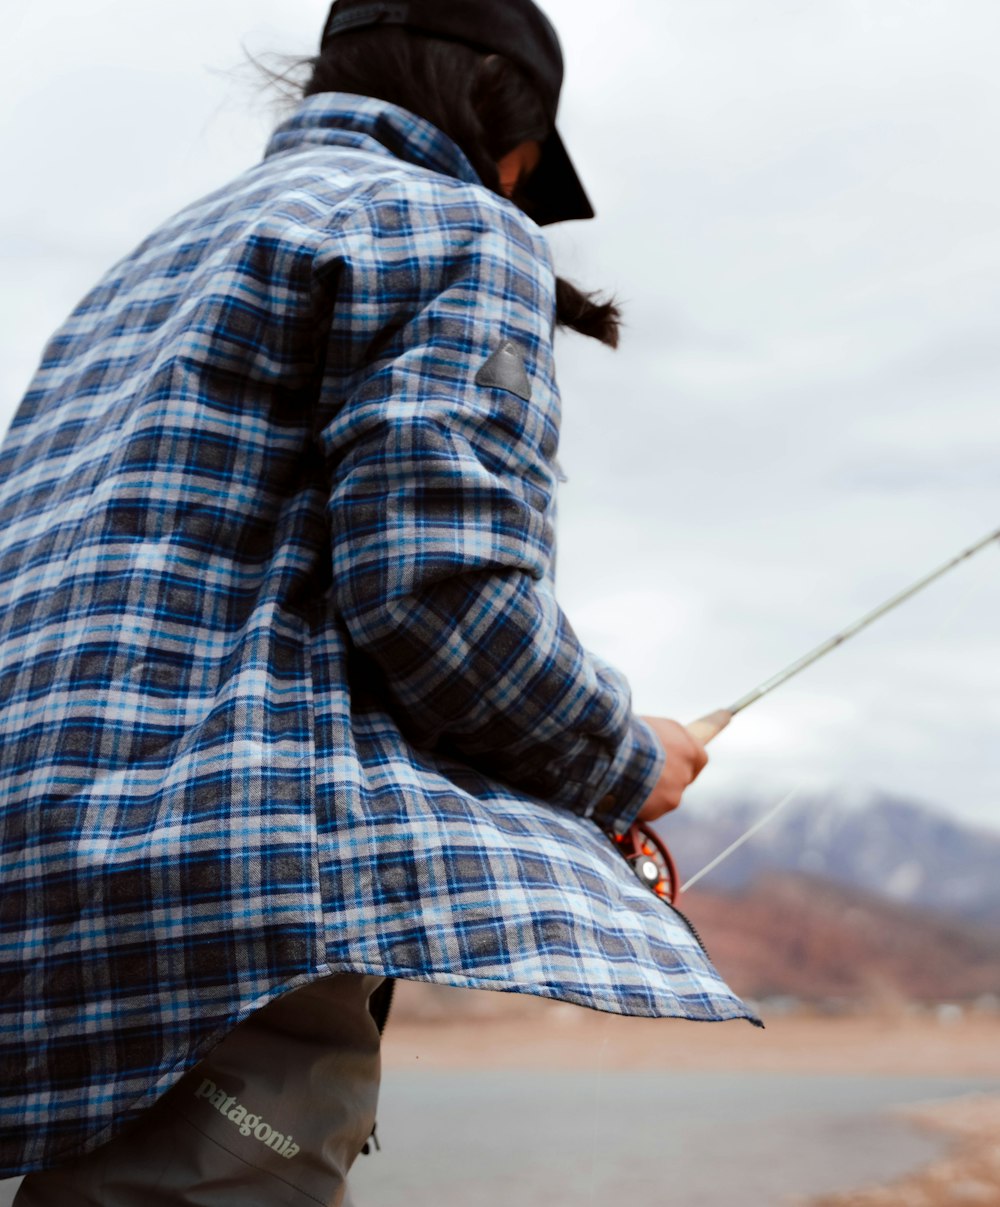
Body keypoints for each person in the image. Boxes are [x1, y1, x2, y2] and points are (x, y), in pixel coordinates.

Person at [0, 1, 762, 1202]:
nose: (519, 192)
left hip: (32, 855)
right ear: (505, 124)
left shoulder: (140, 267)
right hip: (228, 873)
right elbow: (441, 593)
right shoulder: (456, 222)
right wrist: (623, 758)